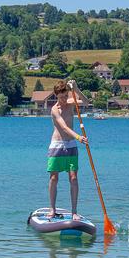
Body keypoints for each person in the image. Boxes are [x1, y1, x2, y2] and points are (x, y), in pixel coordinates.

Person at [47, 80, 88, 220]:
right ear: (56, 96)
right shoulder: (54, 110)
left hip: (71, 145)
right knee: (54, 177)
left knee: (73, 178)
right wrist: (78, 137)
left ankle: (74, 211)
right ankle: (52, 209)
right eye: (61, 97)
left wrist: (76, 89)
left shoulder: (71, 103)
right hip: (57, 145)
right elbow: (64, 127)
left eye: (65, 96)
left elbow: (86, 102)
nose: (64, 99)